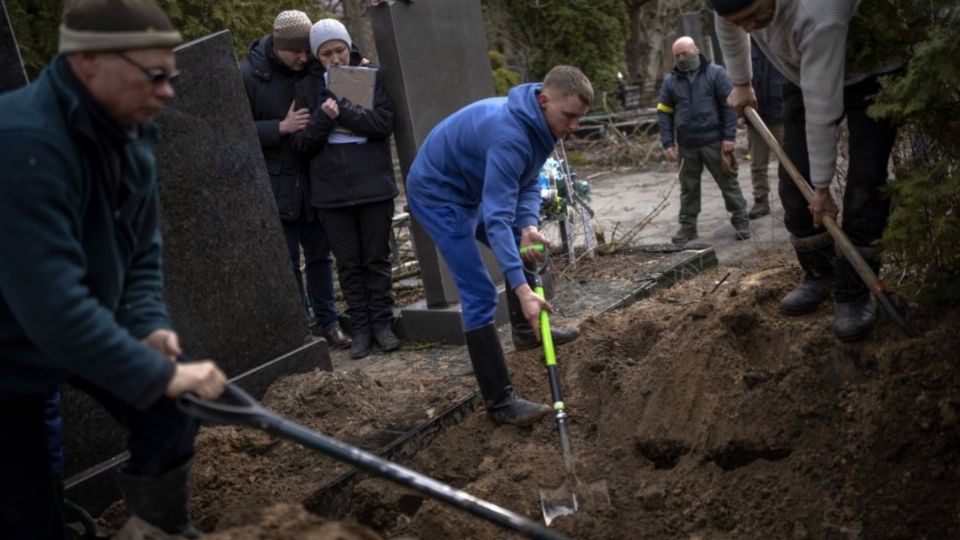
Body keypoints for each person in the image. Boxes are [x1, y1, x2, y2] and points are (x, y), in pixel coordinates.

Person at [0, 1, 228, 539]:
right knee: (28, 518)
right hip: (9, 348)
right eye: (154, 75)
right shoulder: (22, 145)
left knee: (169, 410)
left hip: (61, 321)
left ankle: (154, 530)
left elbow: (140, 253)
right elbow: (54, 311)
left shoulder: (129, 133)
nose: (168, 90)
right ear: (90, 63)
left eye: (172, 76)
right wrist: (164, 373)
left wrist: (150, 327)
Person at [405, 66, 589, 426]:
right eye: (569, 117)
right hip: (438, 195)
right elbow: (498, 216)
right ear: (544, 99)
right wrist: (522, 290)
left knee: (525, 249)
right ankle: (500, 401)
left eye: (580, 119)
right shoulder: (511, 136)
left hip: (471, 187)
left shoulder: (542, 126)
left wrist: (530, 226)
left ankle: (526, 333)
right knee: (479, 294)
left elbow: (529, 181)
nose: (574, 126)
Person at [709, 0, 902, 341]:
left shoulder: (820, 12)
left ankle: (854, 291)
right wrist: (741, 81)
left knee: (866, 183)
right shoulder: (734, 8)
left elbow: (821, 109)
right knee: (794, 183)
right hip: (801, 71)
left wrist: (824, 188)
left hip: (872, 72)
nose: (751, 28)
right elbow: (727, 22)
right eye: (741, 22)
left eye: (754, 15)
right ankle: (819, 273)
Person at [240, 10, 351, 349]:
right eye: (296, 52)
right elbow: (228, 131)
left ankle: (328, 322)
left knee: (320, 256)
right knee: (288, 262)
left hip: (314, 180)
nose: (304, 58)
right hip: (276, 185)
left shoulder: (312, 67)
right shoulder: (247, 75)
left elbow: (343, 58)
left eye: (307, 51)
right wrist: (279, 128)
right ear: (276, 46)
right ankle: (301, 329)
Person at [290, 19, 400, 360]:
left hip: (372, 186)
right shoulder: (307, 88)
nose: (335, 59)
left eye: (340, 50)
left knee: (376, 259)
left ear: (348, 47)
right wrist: (324, 117)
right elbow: (302, 144)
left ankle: (383, 324)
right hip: (331, 193)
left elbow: (383, 125)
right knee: (349, 264)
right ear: (316, 56)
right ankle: (362, 329)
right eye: (327, 53)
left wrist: (345, 112)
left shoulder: (372, 76)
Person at [657, 36, 751, 245]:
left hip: (714, 142)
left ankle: (741, 221)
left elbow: (729, 107)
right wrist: (667, 142)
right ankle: (688, 227)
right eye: (677, 55)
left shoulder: (716, 73)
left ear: (696, 50)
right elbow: (664, 113)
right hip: (687, 145)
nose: (681, 58)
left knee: (728, 183)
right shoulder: (670, 81)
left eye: (685, 53)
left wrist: (729, 137)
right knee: (688, 189)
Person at [745, 39, 786, 219]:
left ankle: (793, 198)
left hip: (780, 113)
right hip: (756, 115)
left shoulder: (778, 42)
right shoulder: (745, 47)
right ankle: (761, 200)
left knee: (789, 160)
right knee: (757, 163)